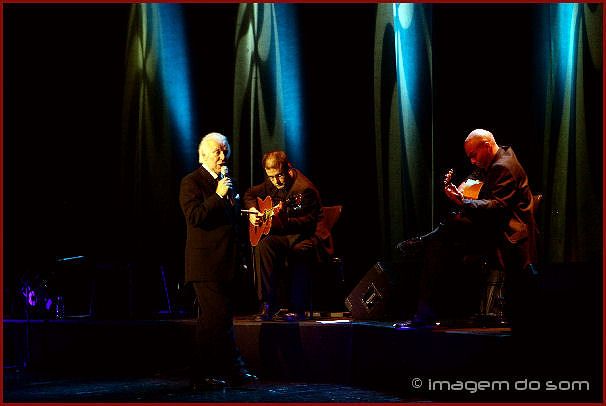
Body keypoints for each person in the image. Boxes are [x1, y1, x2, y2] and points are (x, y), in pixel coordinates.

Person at [403, 129, 538, 328]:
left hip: (508, 235)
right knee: (449, 230)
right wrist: (460, 194)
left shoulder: (503, 166)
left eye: (474, 155)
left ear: (486, 145)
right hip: (494, 227)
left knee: (443, 239)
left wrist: (463, 201)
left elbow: (498, 206)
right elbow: (478, 187)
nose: (472, 161)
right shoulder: (498, 158)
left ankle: (427, 309)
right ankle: (430, 244)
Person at [179, 132, 257, 390]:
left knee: (218, 320)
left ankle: (224, 372)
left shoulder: (226, 183)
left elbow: (228, 221)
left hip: (226, 262)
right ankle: (213, 373)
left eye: (225, 151)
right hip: (205, 264)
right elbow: (195, 216)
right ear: (203, 155)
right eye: (217, 152)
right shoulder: (192, 182)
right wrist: (218, 195)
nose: (223, 156)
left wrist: (247, 215)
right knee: (217, 318)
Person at [243, 151, 322, 321]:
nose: (276, 181)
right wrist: (253, 210)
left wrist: (285, 221)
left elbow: (310, 222)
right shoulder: (271, 182)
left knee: (299, 251)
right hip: (282, 234)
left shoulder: (304, 189)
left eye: (279, 176)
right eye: (271, 177)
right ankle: (267, 303)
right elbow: (249, 194)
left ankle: (297, 308)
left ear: (288, 169)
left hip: (304, 235)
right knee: (263, 245)